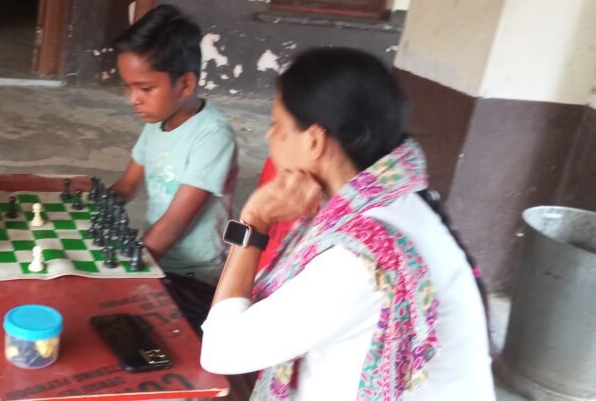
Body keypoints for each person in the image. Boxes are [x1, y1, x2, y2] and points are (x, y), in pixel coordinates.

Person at [200, 48, 494, 400]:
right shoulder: (397, 200)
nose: (269, 137)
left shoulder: (361, 257)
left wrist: (253, 223)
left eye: (276, 125)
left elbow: (222, 351)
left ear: (314, 141)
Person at [107, 4, 239, 332]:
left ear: (185, 84)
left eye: (145, 88)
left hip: (194, 275)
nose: (133, 99)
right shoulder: (156, 122)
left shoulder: (213, 136)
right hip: (156, 257)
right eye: (128, 87)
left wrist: (122, 274)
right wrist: (85, 213)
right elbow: (127, 186)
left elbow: (174, 224)